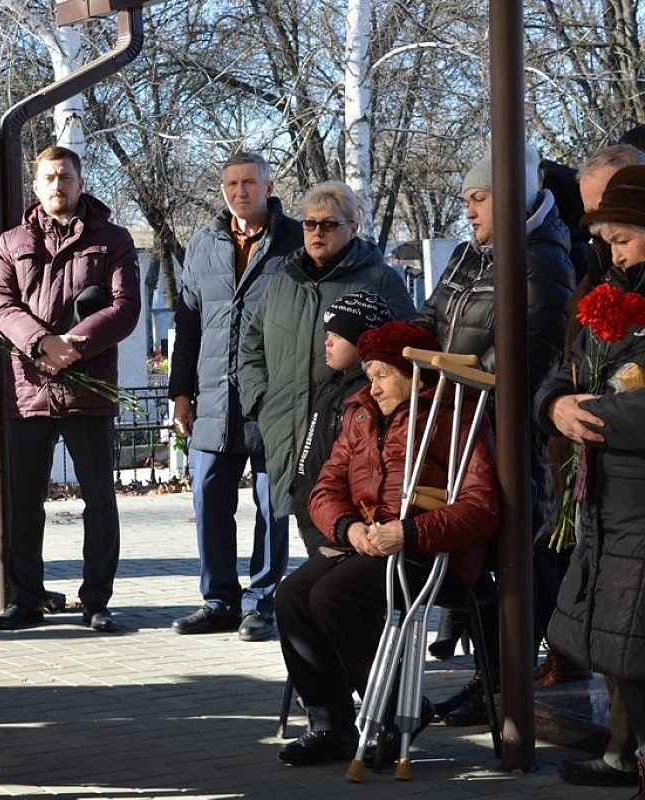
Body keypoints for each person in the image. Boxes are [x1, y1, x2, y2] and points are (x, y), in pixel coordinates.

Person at [275, 321, 500, 765]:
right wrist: (348, 529)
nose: (372, 387)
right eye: (369, 374)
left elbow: (481, 506)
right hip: (368, 540)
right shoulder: (358, 413)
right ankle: (331, 724)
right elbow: (326, 489)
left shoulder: (452, 414)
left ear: (411, 372)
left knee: (333, 596)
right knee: (293, 597)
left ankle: (399, 710)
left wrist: (410, 531)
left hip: (425, 549)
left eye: (382, 374)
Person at [414, 143, 575, 724]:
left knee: (509, 558)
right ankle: (489, 680)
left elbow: (527, 352)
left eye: (479, 199)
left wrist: (468, 373)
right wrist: (390, 342)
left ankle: (502, 685)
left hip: (499, 431)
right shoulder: (468, 253)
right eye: (467, 200)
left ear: (511, 198)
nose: (470, 211)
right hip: (454, 425)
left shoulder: (543, 259)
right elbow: (432, 318)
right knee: (470, 561)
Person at [237, 181, 415, 637]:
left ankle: (359, 656)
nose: (316, 233)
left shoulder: (379, 280)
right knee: (315, 539)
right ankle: (334, 653)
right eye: (310, 224)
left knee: (348, 563)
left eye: (329, 225)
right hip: (290, 435)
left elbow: (405, 353)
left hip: (353, 437)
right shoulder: (282, 280)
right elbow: (250, 346)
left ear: (353, 227)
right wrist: (262, 401)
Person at [0, 145, 140, 633]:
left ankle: (96, 601)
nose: (58, 185)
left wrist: (75, 343)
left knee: (99, 498)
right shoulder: (11, 242)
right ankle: (26, 600)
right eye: (49, 177)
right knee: (24, 502)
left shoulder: (112, 238)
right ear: (36, 185)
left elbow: (126, 305)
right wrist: (40, 343)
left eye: (65, 176)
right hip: (28, 389)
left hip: (88, 385)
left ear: (81, 180)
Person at [538, 164, 645, 797]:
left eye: (623, 238)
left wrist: (591, 414)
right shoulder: (606, 286)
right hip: (603, 500)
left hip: (636, 500)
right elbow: (563, 365)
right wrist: (554, 407)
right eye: (605, 240)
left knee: (632, 647)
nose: (611, 252)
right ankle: (625, 759)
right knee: (615, 645)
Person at [167, 151, 302, 640]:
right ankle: (219, 599)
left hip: (273, 397)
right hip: (213, 399)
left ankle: (263, 601)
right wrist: (181, 392)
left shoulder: (295, 241)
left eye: (249, 182)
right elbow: (187, 322)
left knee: (273, 505)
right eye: (231, 183)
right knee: (208, 500)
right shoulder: (203, 243)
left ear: (269, 187)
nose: (239, 191)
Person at [290, 290, 392, 557]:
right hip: (314, 505)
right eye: (327, 336)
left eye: (337, 337)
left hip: (342, 518)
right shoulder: (333, 383)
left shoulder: (366, 392)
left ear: (362, 341)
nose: (328, 343)